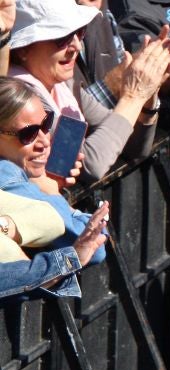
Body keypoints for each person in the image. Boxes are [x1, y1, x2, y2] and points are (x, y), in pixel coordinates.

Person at [8, 0, 170, 181]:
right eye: (62, 38)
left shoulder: (64, 86)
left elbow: (130, 141)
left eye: (79, 32)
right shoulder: (21, 94)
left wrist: (148, 96)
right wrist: (133, 96)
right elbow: (92, 165)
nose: (76, 46)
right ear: (23, 48)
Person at [0, 77, 107, 265]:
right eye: (28, 133)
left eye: (46, 124)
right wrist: (50, 191)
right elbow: (93, 249)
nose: (44, 141)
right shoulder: (7, 175)